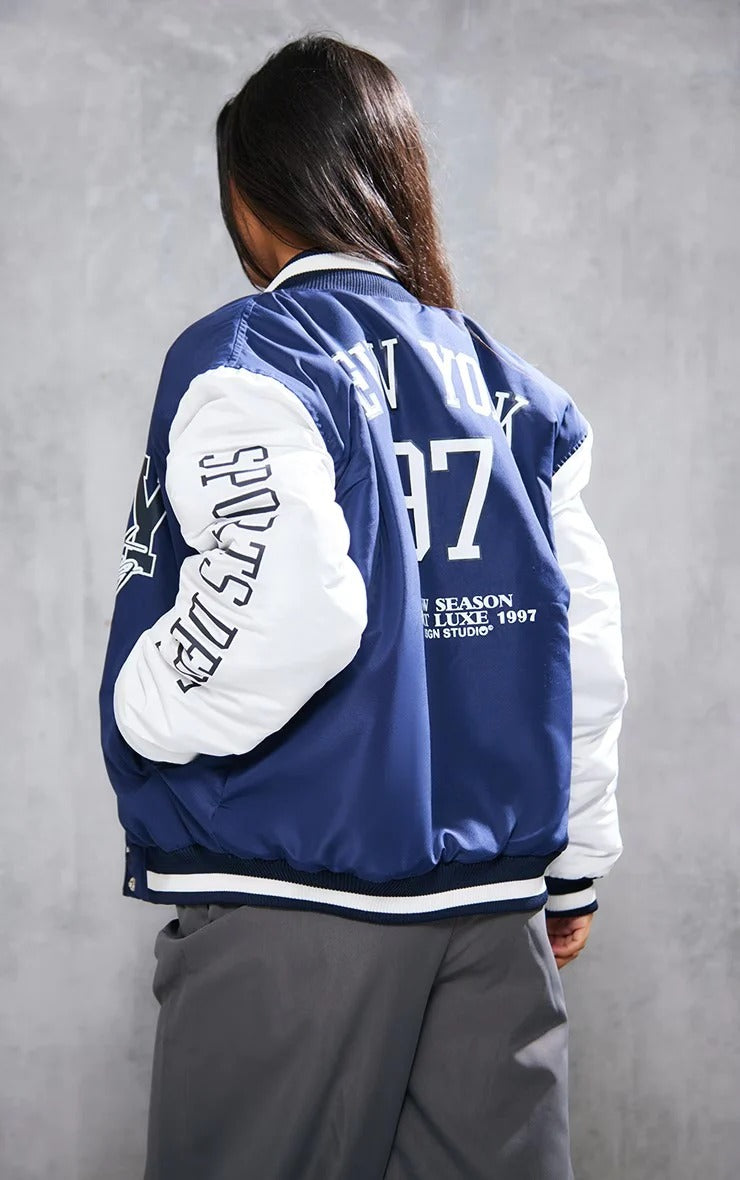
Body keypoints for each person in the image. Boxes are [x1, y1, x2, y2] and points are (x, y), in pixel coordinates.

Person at [98, 31, 628, 1180]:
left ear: (252, 199)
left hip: (295, 904)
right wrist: (574, 866)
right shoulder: (517, 394)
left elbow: (287, 609)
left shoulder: (251, 354)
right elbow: (579, 649)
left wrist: (140, 703)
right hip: (492, 912)